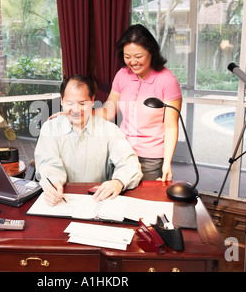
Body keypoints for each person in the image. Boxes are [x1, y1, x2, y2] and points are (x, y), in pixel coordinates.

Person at [35, 74, 143, 206]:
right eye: (70, 103)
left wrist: (118, 182)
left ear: (92, 101)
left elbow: (129, 162)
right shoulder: (50, 128)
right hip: (62, 200)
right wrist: (53, 184)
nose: (76, 110)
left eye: (82, 103)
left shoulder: (108, 129)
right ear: (62, 101)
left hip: (99, 201)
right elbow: (48, 163)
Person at [94, 24, 182, 181]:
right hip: (122, 151)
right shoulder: (122, 75)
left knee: (143, 201)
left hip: (151, 158)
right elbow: (108, 110)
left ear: (151, 52)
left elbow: (171, 126)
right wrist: (80, 114)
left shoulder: (167, 80)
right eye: (127, 57)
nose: (132, 62)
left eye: (138, 56)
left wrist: (167, 163)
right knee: (119, 198)